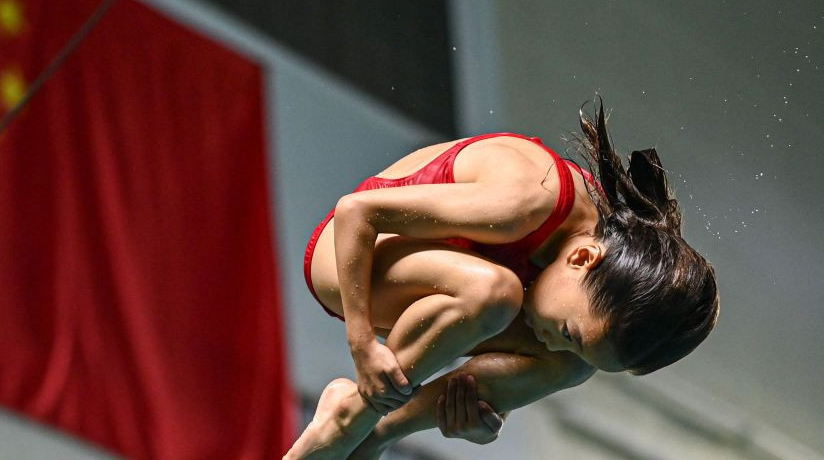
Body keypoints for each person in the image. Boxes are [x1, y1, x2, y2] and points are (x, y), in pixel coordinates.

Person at [284, 100, 720, 459]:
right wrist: (361, 345)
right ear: (584, 257)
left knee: (572, 366)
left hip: (440, 291)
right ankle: (350, 419)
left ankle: (373, 437)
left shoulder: (588, 249)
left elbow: (539, 342)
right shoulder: (525, 201)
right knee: (495, 292)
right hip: (350, 259)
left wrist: (486, 403)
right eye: (568, 332)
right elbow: (356, 212)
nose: (550, 342)